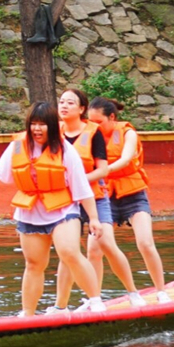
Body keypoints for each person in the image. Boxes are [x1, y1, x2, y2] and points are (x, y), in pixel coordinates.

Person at [0, 101, 106, 315]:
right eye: (33, 124)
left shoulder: (66, 150)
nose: (37, 129)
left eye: (42, 124)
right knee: (34, 263)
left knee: (69, 252)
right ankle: (28, 313)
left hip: (63, 209)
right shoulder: (17, 147)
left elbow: (82, 187)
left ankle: (95, 302)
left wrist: (94, 218)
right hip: (31, 212)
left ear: (52, 126)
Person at [53, 88, 141, 307]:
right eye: (61, 102)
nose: (64, 106)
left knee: (106, 244)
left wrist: (78, 181)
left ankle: (133, 293)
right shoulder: (54, 132)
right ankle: (61, 306)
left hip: (94, 197)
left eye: (70, 103)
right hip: (67, 200)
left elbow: (102, 170)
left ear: (81, 109)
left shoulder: (94, 132)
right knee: (68, 251)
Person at [87, 96, 167, 300]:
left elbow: (124, 159)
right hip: (105, 196)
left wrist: (101, 172)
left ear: (111, 117)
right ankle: (94, 299)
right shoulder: (87, 135)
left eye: (98, 122)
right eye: (90, 122)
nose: (94, 127)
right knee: (94, 249)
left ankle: (161, 291)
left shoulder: (127, 133)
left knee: (145, 243)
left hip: (133, 193)